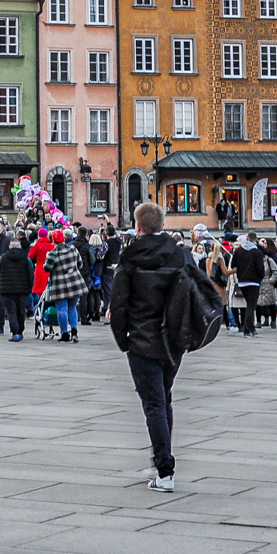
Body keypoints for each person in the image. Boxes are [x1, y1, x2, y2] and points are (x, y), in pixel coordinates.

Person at [109, 202, 191, 493]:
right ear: (162, 225)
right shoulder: (178, 253)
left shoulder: (130, 256)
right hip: (173, 340)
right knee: (163, 399)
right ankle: (161, 460)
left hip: (142, 340)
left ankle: (165, 471)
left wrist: (123, 339)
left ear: (138, 226)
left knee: (154, 403)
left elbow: (118, 302)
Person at [42, 230, 85, 342]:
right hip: (75, 282)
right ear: (64, 239)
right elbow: (80, 264)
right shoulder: (73, 249)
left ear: (53, 240)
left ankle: (65, 333)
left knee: (62, 309)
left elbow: (47, 268)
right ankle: (74, 331)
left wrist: (47, 258)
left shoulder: (53, 253)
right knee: (72, 307)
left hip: (59, 284)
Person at [0, 238, 32, 343]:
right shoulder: (25, 258)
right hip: (23, 289)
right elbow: (31, 274)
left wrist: (1, 281)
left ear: (10, 246)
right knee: (21, 311)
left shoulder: (4, 257)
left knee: (11, 311)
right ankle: (20, 331)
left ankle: (15, 333)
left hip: (7, 289)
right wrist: (29, 287)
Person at [230, 234, 265, 339]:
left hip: (242, 282)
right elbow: (260, 268)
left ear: (247, 239)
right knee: (251, 306)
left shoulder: (239, 251)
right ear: (255, 240)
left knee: (249, 305)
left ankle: (252, 328)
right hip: (254, 282)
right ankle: (247, 329)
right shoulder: (257, 252)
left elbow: (233, 265)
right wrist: (260, 278)